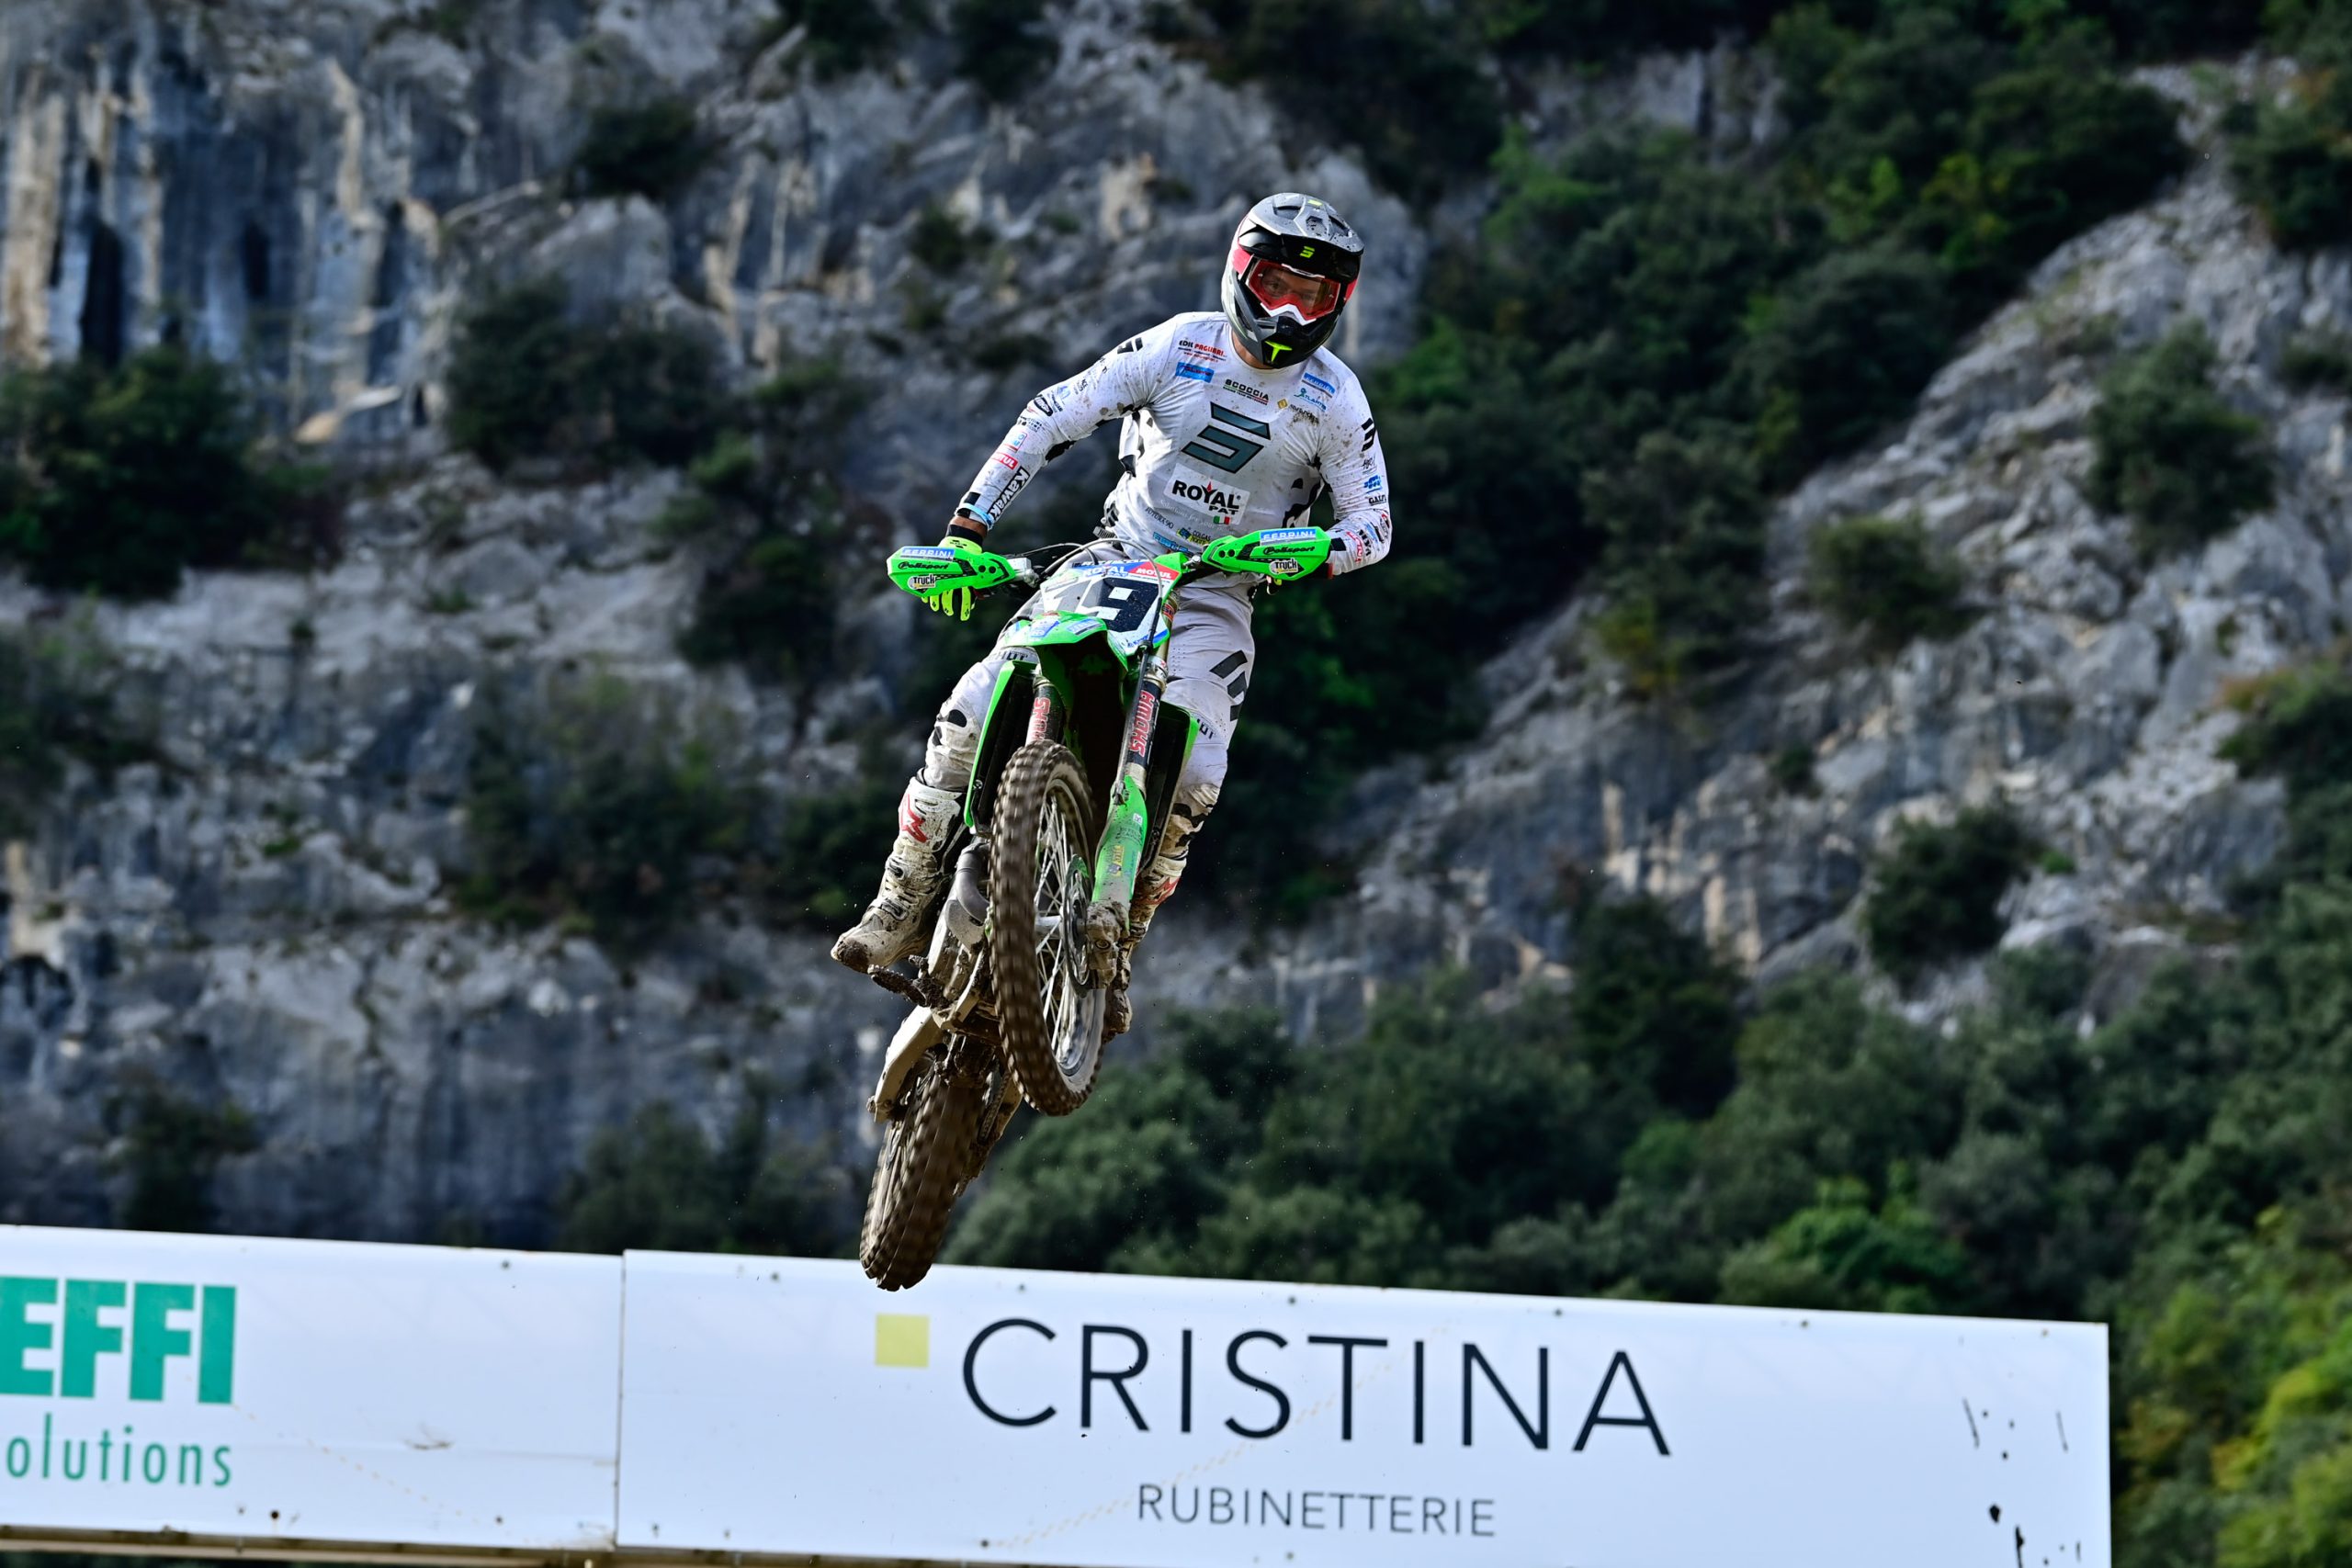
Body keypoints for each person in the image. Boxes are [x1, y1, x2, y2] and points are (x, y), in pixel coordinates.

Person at [831, 192, 1395, 1034]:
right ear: (1241, 272)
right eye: (1276, 283)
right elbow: (1055, 413)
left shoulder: (1338, 402)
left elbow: (1375, 526)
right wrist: (966, 529)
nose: (1288, 310)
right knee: (971, 703)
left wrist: (1316, 550)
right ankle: (902, 889)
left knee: (1200, 772)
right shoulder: (1178, 345)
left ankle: (1120, 938)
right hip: (1109, 559)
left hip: (1217, 590)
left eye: (1313, 298)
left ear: (1339, 306)